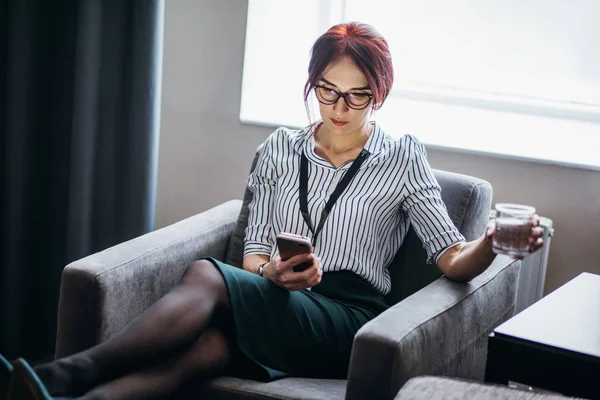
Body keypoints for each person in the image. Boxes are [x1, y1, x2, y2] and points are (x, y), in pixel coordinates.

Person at [2, 22, 544, 400]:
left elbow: (451, 259)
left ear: (379, 95)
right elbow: (256, 255)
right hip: (280, 299)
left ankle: (66, 372)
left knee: (204, 275)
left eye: (356, 96)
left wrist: (493, 240)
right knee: (207, 352)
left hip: (346, 320)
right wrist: (273, 274)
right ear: (312, 85)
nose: (338, 108)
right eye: (327, 90)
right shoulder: (280, 149)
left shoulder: (402, 156)